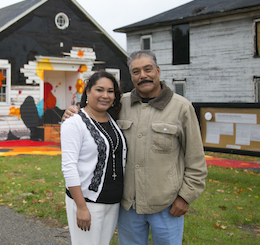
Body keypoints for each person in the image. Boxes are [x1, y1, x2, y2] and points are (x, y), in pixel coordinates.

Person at [62, 50, 207, 245]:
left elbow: (196, 160)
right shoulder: (121, 104)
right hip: (128, 207)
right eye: (136, 71)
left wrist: (186, 197)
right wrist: (71, 113)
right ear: (131, 76)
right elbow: (93, 120)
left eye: (148, 69)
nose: (143, 75)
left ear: (158, 71)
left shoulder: (181, 108)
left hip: (166, 205)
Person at [61, 71, 127, 245]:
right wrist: (81, 207)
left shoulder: (113, 120)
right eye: (100, 90)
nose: (105, 95)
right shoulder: (74, 122)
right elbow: (69, 167)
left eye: (110, 91)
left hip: (113, 202)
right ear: (88, 91)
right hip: (87, 202)